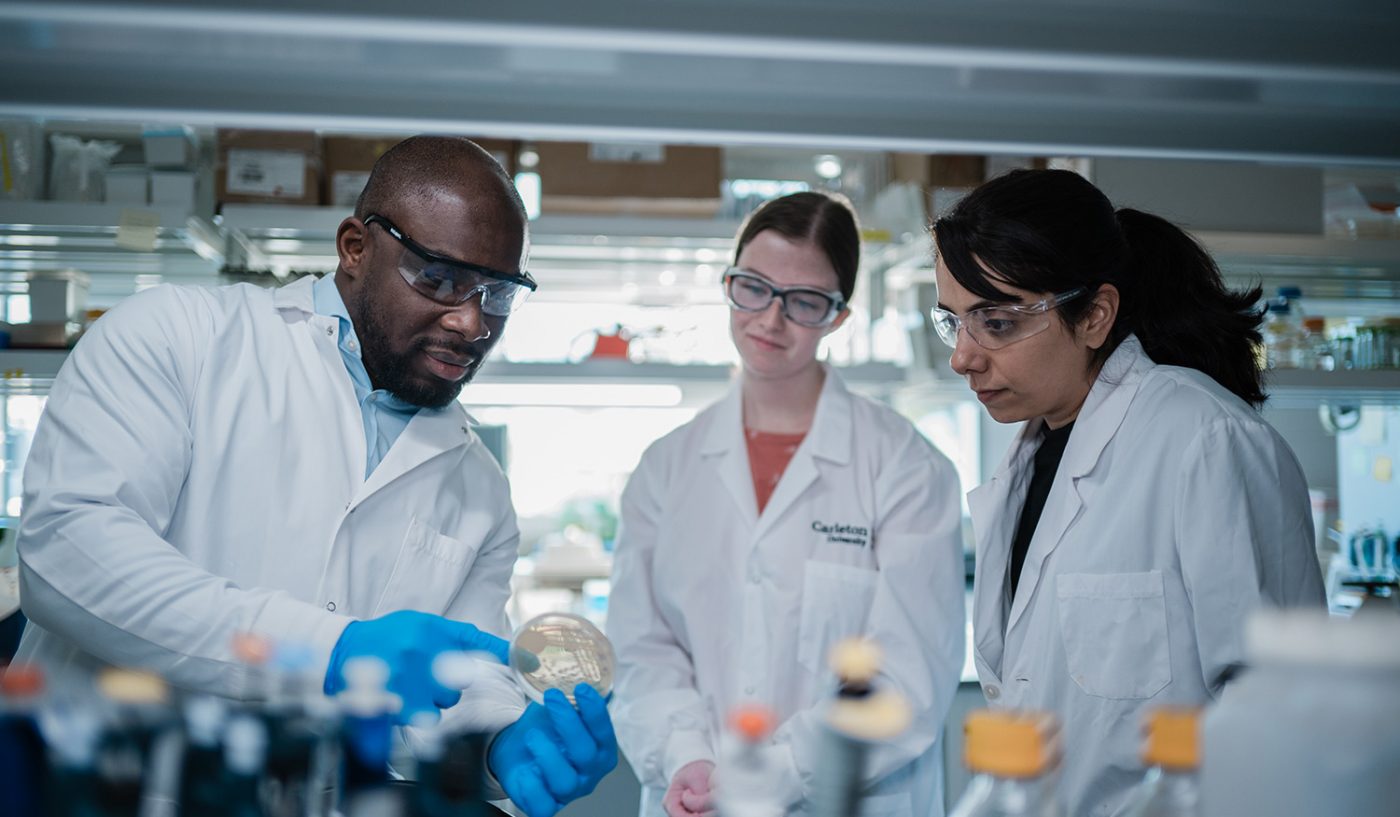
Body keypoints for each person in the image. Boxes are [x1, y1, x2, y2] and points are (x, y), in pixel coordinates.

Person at [15, 136, 615, 817]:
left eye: (499, 292)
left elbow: (456, 679)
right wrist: (329, 651)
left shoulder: (478, 484)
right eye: (439, 278)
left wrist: (498, 741)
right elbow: (69, 553)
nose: (471, 321)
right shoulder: (178, 337)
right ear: (355, 247)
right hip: (98, 790)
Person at [930, 168, 1326, 817]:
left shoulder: (1204, 439)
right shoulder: (1032, 454)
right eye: (954, 322)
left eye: (996, 322)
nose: (962, 357)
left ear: (1095, 315)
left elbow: (1279, 711)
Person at [608, 192, 966, 817]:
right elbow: (642, 649)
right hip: (692, 797)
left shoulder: (906, 467)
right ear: (729, 285)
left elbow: (906, 677)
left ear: (838, 316)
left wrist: (766, 775)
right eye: (753, 288)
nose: (770, 320)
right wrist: (687, 758)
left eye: (803, 301)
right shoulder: (665, 467)